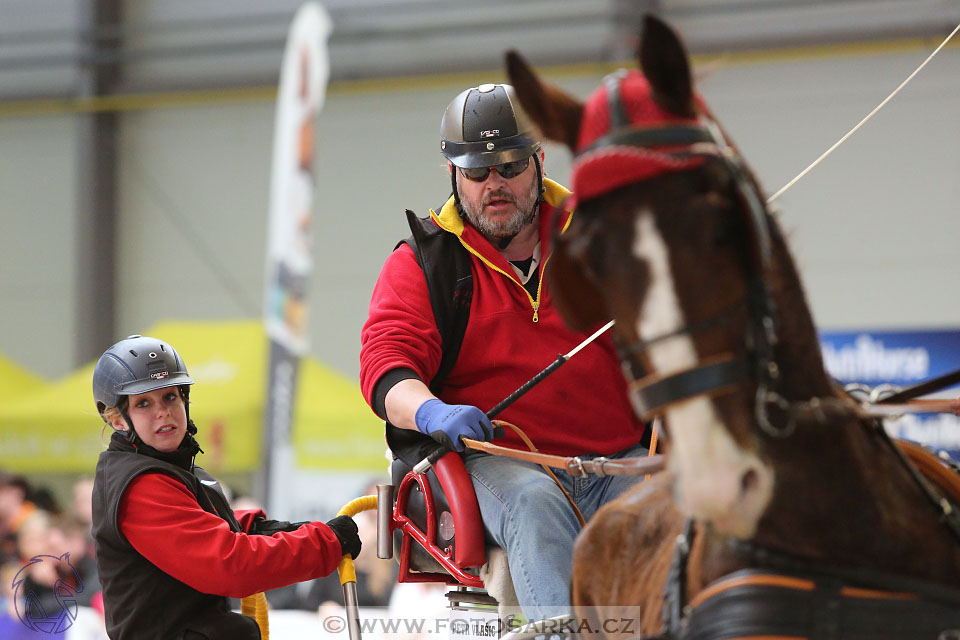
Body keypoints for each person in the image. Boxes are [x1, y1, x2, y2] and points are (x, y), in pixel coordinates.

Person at [359, 83, 647, 622]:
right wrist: (432, 412)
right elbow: (385, 369)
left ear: (538, 163)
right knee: (536, 506)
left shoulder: (600, 237)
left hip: (614, 464)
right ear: (453, 175)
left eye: (510, 166)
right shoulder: (424, 261)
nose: (495, 184)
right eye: (477, 172)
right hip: (493, 464)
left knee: (682, 510)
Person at [90, 335, 362, 640]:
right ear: (117, 420)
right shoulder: (142, 485)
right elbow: (230, 564)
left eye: (170, 397)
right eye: (143, 403)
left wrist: (274, 529)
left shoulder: (174, 470)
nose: (163, 411)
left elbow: (215, 525)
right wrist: (325, 544)